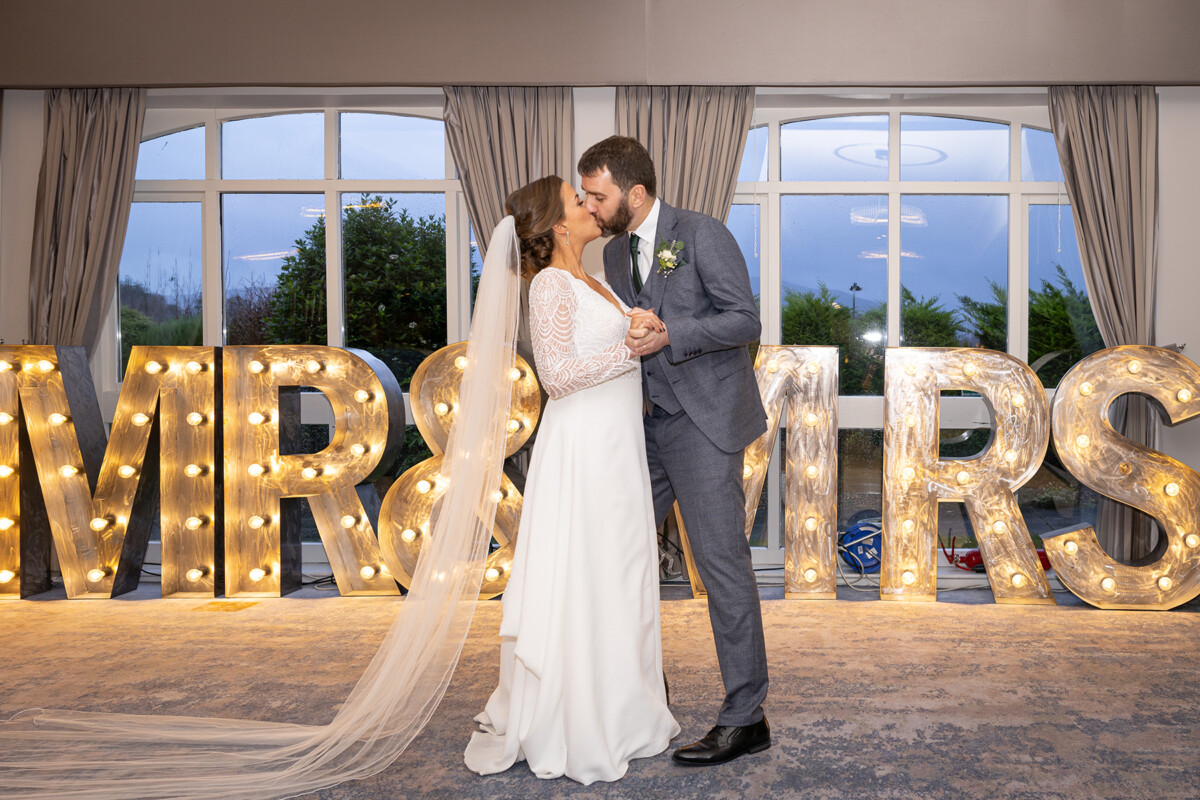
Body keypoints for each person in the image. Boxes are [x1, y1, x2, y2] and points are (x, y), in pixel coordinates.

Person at [464, 176, 679, 784]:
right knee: (586, 572)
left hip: (615, 444)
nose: (590, 206)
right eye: (576, 200)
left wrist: (639, 329)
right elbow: (557, 376)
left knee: (619, 570)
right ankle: (578, 717)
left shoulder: (594, 277)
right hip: (582, 447)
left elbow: (601, 347)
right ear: (559, 226)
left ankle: (624, 708)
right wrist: (632, 352)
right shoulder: (552, 284)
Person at [578, 136, 771, 766]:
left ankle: (746, 717)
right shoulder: (609, 255)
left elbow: (746, 321)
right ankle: (641, 699)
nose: (590, 205)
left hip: (704, 424)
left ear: (635, 194)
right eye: (586, 195)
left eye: (598, 195)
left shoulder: (700, 232)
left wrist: (673, 334)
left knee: (720, 568)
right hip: (646, 425)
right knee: (617, 553)